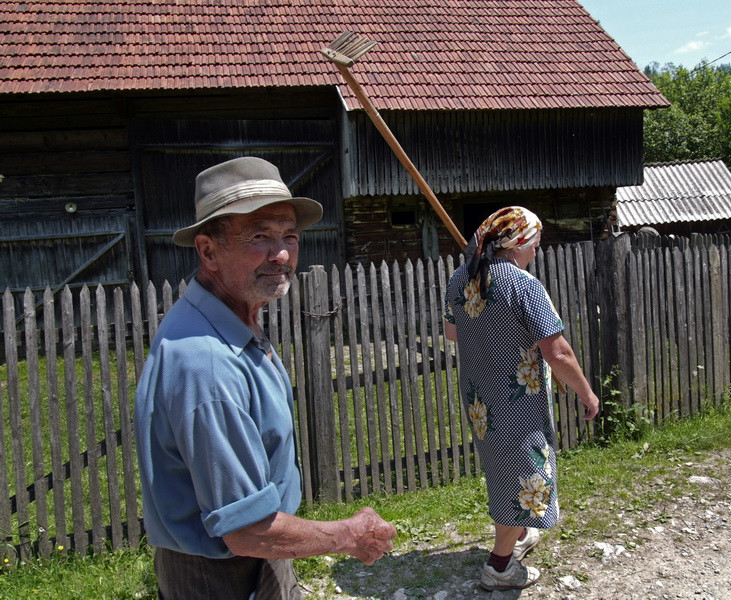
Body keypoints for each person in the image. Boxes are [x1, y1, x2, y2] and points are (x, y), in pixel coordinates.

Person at [134, 156, 397, 600]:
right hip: (220, 577)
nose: (281, 254)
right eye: (259, 237)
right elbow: (246, 531)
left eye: (289, 236)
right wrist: (350, 536)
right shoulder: (209, 364)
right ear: (208, 251)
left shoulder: (231, 319)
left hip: (260, 554)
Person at [443, 206, 599, 592]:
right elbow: (558, 352)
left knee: (503, 469)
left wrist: (492, 335)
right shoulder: (523, 284)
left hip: (481, 398)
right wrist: (586, 393)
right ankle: (499, 567)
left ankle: (519, 533)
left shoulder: (461, 278)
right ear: (520, 242)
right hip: (517, 398)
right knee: (526, 471)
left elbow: (452, 333)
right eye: (536, 242)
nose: (537, 251)